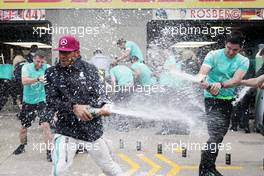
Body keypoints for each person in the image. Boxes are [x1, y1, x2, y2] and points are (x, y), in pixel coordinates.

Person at [45, 35, 123, 176]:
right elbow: (51, 101)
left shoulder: (90, 69)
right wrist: (73, 107)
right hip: (66, 129)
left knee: (110, 169)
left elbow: (101, 94)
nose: (62, 56)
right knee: (60, 171)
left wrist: (105, 105)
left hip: (91, 130)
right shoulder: (51, 73)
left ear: (77, 52)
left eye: (67, 52)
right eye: (61, 52)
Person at [198, 31, 249, 176]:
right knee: (215, 134)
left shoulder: (244, 61)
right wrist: (204, 82)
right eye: (228, 48)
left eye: (235, 50)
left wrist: (220, 85)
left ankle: (210, 167)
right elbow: (202, 73)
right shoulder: (213, 55)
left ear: (240, 48)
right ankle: (205, 170)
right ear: (225, 44)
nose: (231, 52)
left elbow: (236, 80)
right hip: (211, 99)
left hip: (228, 100)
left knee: (220, 135)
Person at [13, 50, 53, 163]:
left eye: (41, 62)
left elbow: (53, 79)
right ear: (33, 59)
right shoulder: (26, 67)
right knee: (24, 127)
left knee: (46, 126)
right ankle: (22, 145)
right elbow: (24, 81)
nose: (39, 64)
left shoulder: (47, 67)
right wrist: (37, 79)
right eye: (37, 61)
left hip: (41, 101)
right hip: (28, 101)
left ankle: (49, 151)